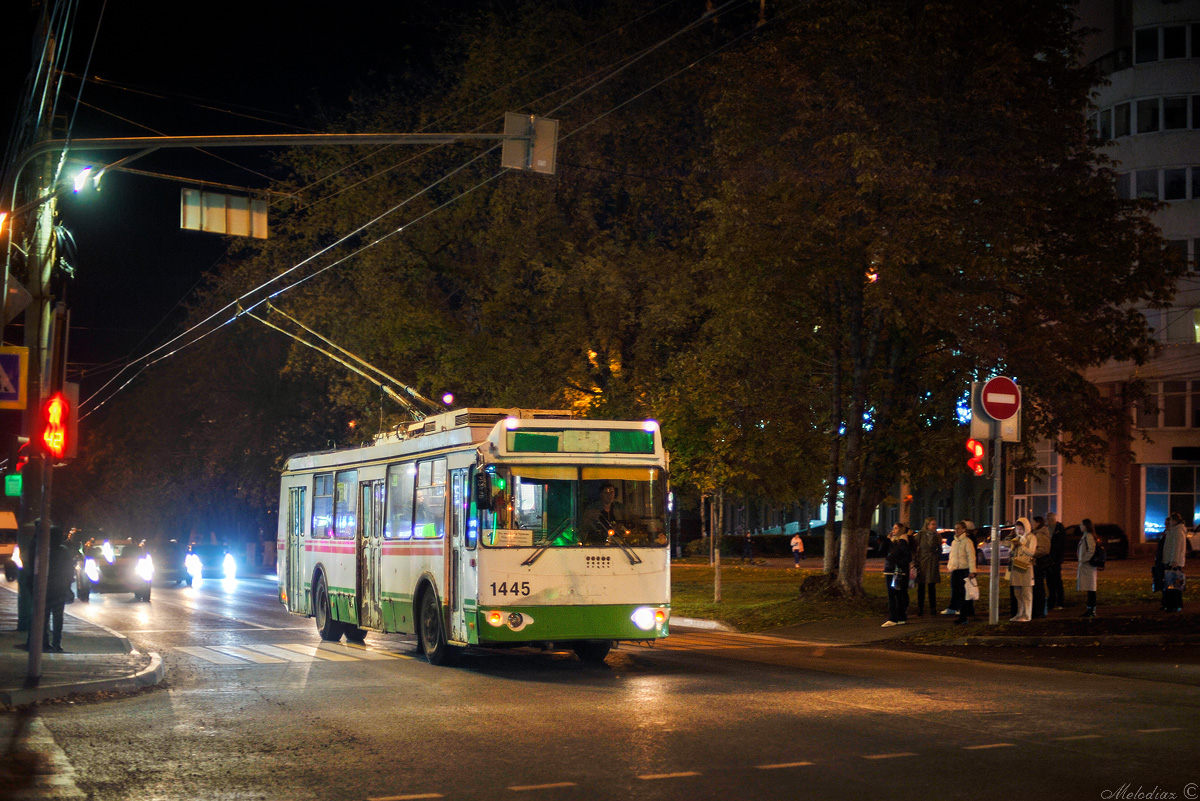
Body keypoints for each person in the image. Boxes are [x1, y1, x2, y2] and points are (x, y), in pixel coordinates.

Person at [945, 520, 977, 624]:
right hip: (956, 570)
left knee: (964, 593)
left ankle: (964, 616)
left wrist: (972, 571)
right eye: (955, 528)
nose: (956, 530)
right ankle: (961, 613)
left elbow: (971, 557)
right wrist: (950, 566)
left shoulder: (967, 541)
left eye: (958, 528)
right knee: (957, 592)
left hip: (964, 570)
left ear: (964, 529)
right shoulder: (954, 542)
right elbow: (952, 556)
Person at [881, 524, 912, 627]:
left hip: (896, 572)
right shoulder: (893, 542)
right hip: (890, 571)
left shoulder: (902, 542)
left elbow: (907, 557)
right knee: (897, 595)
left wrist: (897, 564)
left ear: (901, 530)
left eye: (896, 528)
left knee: (894, 595)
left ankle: (894, 617)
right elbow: (882, 551)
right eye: (893, 528)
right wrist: (887, 539)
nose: (893, 530)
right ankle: (900, 617)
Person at [1009, 517, 1037, 622]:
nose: (1019, 531)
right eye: (1017, 529)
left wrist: (1021, 546)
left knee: (1026, 594)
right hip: (1016, 568)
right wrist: (1013, 547)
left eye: (1021, 529)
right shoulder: (1017, 538)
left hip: (1026, 569)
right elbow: (1012, 551)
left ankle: (1027, 615)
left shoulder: (1031, 538)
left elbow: (1032, 552)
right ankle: (1019, 614)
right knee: (1018, 594)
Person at [913, 517, 942, 616]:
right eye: (933, 524)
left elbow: (940, 550)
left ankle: (933, 608)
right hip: (922, 563)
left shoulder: (937, 536)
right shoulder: (920, 535)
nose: (935, 526)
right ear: (927, 525)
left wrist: (937, 555)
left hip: (932, 563)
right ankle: (920, 608)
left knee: (932, 586)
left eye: (935, 524)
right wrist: (914, 561)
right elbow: (913, 547)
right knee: (921, 586)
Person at [1162, 512, 1188, 613]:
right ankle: (1172, 604)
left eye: (1172, 520)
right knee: (1172, 585)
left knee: (1174, 585)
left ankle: (1175, 604)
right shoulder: (1174, 531)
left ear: (1175, 521)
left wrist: (1174, 561)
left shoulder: (1177, 532)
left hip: (1173, 562)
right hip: (1171, 561)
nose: (1170, 522)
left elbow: (1176, 548)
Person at [1076, 518, 1099, 617]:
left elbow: (1091, 550)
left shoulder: (1088, 536)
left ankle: (1091, 609)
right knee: (1090, 588)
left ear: (1085, 526)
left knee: (1091, 588)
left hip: (1088, 566)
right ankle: (1090, 608)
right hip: (1086, 566)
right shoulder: (1086, 535)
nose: (1080, 526)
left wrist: (1084, 559)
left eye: (1081, 525)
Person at [1030, 515, 1050, 618]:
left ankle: (1040, 611)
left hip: (1039, 564)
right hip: (1037, 563)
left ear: (1038, 523)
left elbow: (1044, 549)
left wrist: (1031, 553)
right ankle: (1039, 610)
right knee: (1037, 587)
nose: (1032, 524)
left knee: (1039, 587)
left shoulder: (1040, 534)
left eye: (1033, 522)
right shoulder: (1037, 533)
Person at [1045, 512, 1066, 610]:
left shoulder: (1060, 530)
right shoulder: (1047, 529)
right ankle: (1051, 601)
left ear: (1052, 520)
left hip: (1056, 561)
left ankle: (1060, 601)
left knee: (1057, 582)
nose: (1046, 522)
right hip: (1048, 561)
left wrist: (1058, 560)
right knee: (1050, 582)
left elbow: (1062, 547)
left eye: (1047, 520)